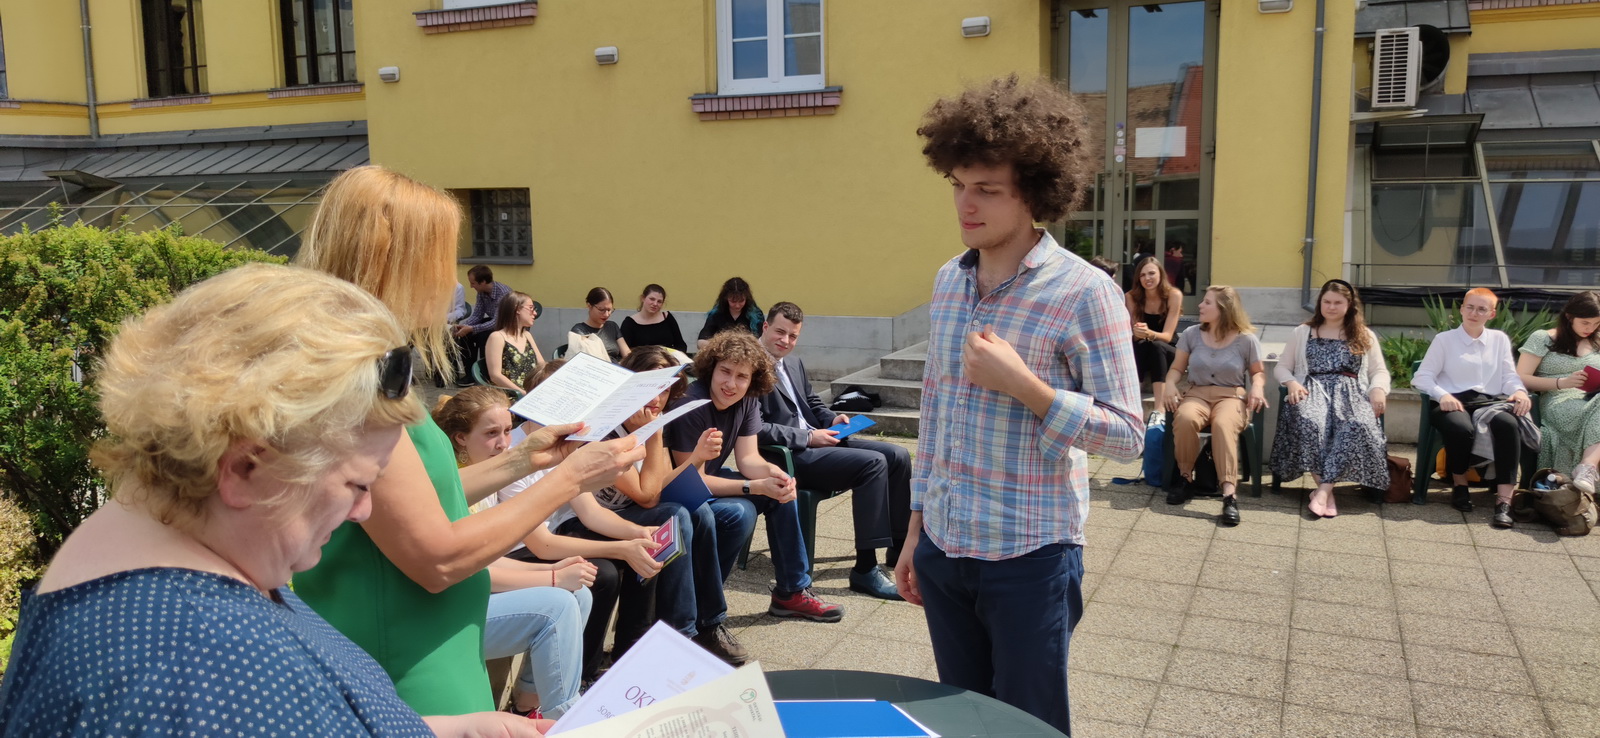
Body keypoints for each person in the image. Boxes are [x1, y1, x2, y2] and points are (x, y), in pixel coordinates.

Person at [0, 264, 543, 737]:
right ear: (245, 468)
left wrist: (444, 729)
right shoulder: (195, 667)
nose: (364, 511)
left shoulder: (175, 558)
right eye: (357, 485)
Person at [293, 165, 644, 717]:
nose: (451, 281)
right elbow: (437, 557)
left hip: (434, 642)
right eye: (440, 259)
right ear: (392, 263)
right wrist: (569, 479)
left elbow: (422, 494)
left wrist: (527, 459)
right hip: (405, 661)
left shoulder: (374, 368)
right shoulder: (355, 386)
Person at [893, 76, 1143, 735]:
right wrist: (916, 532)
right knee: (962, 722)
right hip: (946, 548)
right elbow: (935, 415)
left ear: (1034, 192)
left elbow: (1128, 436)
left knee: (1029, 727)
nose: (965, 204)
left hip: (1031, 556)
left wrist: (1028, 387)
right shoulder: (949, 281)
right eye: (958, 184)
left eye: (988, 189)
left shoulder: (1085, 292)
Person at [529, 349, 746, 667]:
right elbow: (648, 496)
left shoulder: (652, 421)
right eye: (651, 388)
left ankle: (708, 624)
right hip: (582, 523)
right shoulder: (606, 429)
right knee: (675, 516)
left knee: (701, 514)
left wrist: (697, 457)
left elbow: (661, 483)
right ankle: (681, 635)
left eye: (666, 389)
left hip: (619, 516)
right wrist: (655, 434)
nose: (657, 399)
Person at [431, 388, 595, 715]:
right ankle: (565, 718)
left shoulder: (485, 474)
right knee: (557, 606)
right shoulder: (454, 483)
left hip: (471, 596)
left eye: (507, 430)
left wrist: (555, 570)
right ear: (461, 438)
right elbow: (470, 568)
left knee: (579, 595)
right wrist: (552, 578)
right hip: (444, 612)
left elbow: (489, 558)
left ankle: (528, 707)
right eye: (491, 433)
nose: (504, 443)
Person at [665, 331, 845, 624]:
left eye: (742, 376)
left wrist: (777, 476)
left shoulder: (747, 400)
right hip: (680, 490)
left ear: (753, 380)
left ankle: (792, 592)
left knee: (780, 491)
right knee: (739, 513)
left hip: (710, 478)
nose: (731, 384)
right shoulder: (691, 405)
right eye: (725, 371)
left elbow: (748, 459)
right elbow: (691, 480)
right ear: (711, 368)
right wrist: (754, 486)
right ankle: (704, 607)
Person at [756, 301, 910, 601]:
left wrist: (832, 419)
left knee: (898, 455)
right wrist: (808, 437)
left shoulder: (793, 363)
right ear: (765, 327)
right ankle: (865, 568)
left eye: (793, 336)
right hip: (789, 456)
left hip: (818, 441)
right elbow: (756, 428)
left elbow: (811, 403)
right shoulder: (750, 367)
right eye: (779, 332)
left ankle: (899, 546)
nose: (785, 341)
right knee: (873, 464)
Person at [1413, 288, 1535, 529]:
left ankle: (1504, 501)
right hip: (1452, 402)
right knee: (1461, 428)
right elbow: (1422, 376)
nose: (1474, 313)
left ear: (1491, 314)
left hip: (1488, 403)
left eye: (1481, 309)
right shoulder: (1445, 340)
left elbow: (1509, 376)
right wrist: (1442, 395)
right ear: (1461, 309)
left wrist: (1519, 391)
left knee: (1508, 425)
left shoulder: (1499, 339)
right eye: (1470, 307)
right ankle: (1460, 484)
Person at [1271, 280, 1391, 519]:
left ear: (1350, 305)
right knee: (1310, 422)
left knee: (1356, 424)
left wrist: (1378, 388)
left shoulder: (1363, 335)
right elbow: (1282, 367)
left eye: (1338, 302)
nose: (1331, 307)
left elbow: (1379, 371)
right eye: (1327, 301)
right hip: (1312, 390)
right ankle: (1326, 492)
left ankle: (1323, 492)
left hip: (1351, 394)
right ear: (1320, 303)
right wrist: (1292, 383)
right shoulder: (1303, 332)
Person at [1160, 285, 1268, 523]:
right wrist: (1169, 383)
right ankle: (1185, 478)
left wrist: (1258, 387)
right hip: (1197, 393)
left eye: (1207, 302)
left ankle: (1229, 493)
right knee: (1185, 418)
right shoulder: (1191, 334)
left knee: (1222, 424)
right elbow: (1177, 368)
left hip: (1230, 396)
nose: (1200, 305)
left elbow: (1258, 372)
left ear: (1224, 308)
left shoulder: (1246, 339)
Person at [1517, 291, 1600, 492]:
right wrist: (1562, 382)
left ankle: (1587, 467)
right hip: (1558, 400)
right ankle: (1588, 466)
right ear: (1569, 317)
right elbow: (1520, 377)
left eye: (1596, 323)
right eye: (1585, 323)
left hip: (1593, 397)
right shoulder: (1543, 338)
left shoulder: (1597, 341)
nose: (1590, 328)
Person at [1124, 255, 1183, 399]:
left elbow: (1167, 337)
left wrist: (1148, 333)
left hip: (1167, 349)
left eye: (1151, 273)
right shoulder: (1131, 296)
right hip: (1144, 349)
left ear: (1160, 274)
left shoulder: (1173, 295)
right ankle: (1133, 396)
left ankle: (1160, 406)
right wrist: (1138, 332)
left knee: (1156, 346)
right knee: (1140, 345)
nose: (1147, 278)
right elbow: (1136, 336)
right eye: (1142, 275)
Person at [453, 265, 512, 386]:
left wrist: (473, 328)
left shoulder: (503, 293)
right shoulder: (481, 293)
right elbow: (477, 315)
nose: (471, 286)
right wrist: (464, 326)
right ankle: (470, 374)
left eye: (473, 283)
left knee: (484, 337)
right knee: (465, 336)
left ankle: (486, 375)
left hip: (507, 325)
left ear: (483, 282)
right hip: (494, 322)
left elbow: (497, 322)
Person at [485, 290, 545, 393]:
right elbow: (495, 376)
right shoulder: (497, 337)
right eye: (531, 308)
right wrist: (522, 393)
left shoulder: (527, 335)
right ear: (517, 309)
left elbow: (542, 365)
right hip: (510, 395)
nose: (535, 313)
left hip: (530, 391)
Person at [696, 277, 765, 350]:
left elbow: (762, 341)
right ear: (726, 298)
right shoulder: (716, 314)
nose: (737, 305)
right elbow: (701, 342)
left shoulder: (756, 315)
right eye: (733, 301)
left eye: (741, 301)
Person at [620, 283, 689, 354]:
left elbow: (681, 345)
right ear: (642, 298)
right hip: (642, 360)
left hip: (668, 359)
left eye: (659, 301)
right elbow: (625, 352)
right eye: (652, 299)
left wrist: (675, 357)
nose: (655, 304)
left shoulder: (668, 318)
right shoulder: (629, 323)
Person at [571, 287, 629, 363]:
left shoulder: (612, 326)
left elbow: (627, 354)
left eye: (609, 310)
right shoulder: (579, 331)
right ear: (589, 306)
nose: (606, 314)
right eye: (601, 310)